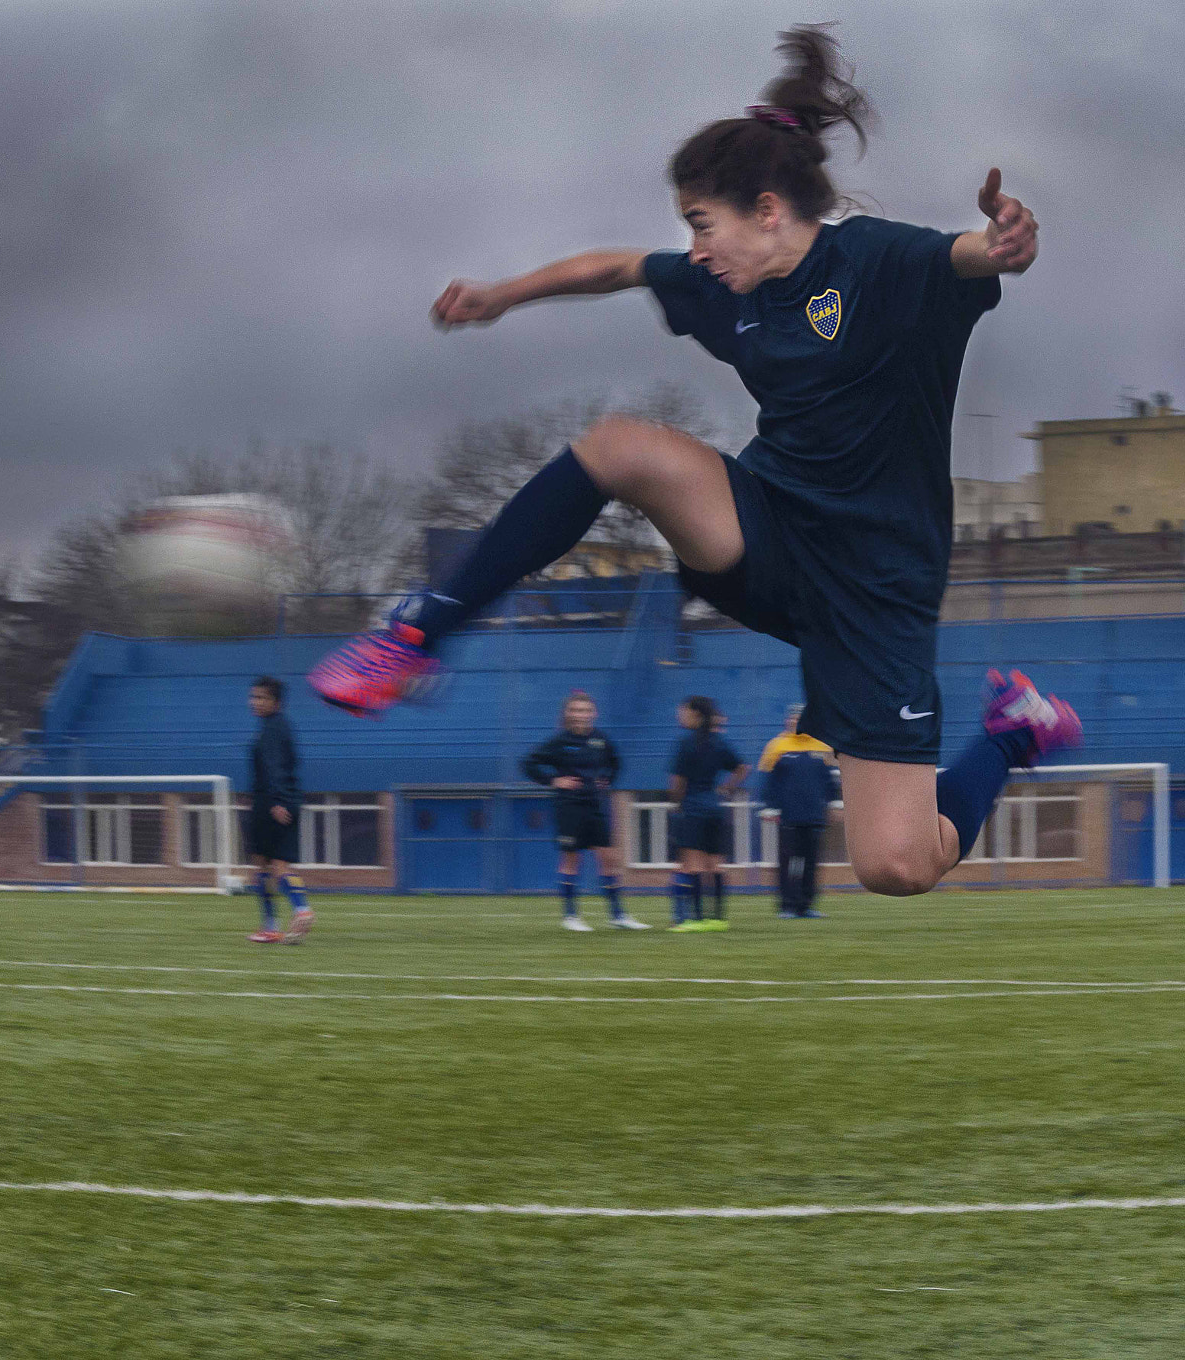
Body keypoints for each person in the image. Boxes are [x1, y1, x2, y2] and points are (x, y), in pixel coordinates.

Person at [310, 24, 1079, 899]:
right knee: (620, 446)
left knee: (897, 865)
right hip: (770, 532)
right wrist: (501, 296)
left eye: (701, 223)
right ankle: (416, 634)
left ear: (766, 208)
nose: (695, 247)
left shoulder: (873, 262)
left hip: (878, 590)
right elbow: (617, 266)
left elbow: (969, 252)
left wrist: (1007, 240)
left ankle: (1016, 731)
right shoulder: (727, 289)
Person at [522, 690, 650, 931]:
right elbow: (528, 763)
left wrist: (607, 779)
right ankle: (571, 916)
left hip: (595, 805)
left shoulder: (601, 740)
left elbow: (615, 763)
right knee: (571, 859)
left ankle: (618, 915)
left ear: (594, 713)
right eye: (575, 710)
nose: (580, 715)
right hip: (569, 807)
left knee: (608, 858)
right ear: (568, 713)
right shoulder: (559, 742)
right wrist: (554, 781)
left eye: (585, 710)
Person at [667, 696, 746, 930]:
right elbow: (742, 768)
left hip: (693, 807)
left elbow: (677, 782)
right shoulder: (719, 742)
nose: (679, 714)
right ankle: (719, 919)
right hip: (715, 809)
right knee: (716, 866)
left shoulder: (685, 743)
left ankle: (696, 919)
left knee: (693, 866)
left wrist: (677, 803)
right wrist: (725, 789)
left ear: (696, 715)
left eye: (683, 711)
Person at [244, 676, 313, 944]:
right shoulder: (283, 726)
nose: (255, 702)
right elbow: (290, 764)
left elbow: (275, 767)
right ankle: (302, 909)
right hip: (288, 799)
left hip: (271, 802)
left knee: (262, 864)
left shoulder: (271, 728)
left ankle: (270, 926)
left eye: (261, 697)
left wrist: (277, 800)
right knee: (281, 866)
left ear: (276, 702)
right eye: (253, 697)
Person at [759, 702, 837, 918]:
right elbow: (768, 782)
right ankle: (787, 906)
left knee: (810, 864)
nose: (794, 722)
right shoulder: (776, 746)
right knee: (787, 863)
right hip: (788, 817)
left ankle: (806, 905)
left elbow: (830, 783)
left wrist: (832, 806)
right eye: (791, 719)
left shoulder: (822, 746)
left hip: (814, 816)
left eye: (798, 719)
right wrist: (769, 808)